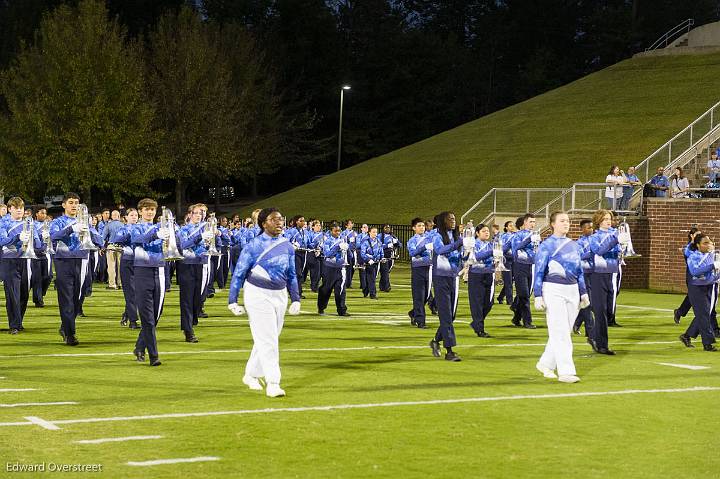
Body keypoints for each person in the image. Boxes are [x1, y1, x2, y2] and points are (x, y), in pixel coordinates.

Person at [227, 207, 301, 398]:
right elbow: (239, 273)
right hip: (257, 293)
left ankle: (250, 374)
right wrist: (232, 300)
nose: (279, 223)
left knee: (267, 337)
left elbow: (292, 275)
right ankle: (273, 382)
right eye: (274, 219)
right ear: (263, 223)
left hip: (280, 294)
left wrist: (296, 298)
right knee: (268, 339)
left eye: (280, 219)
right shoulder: (253, 245)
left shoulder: (287, 245)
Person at [533, 211, 589, 383]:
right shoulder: (546, 245)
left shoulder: (574, 245)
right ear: (553, 224)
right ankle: (566, 371)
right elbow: (539, 270)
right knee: (560, 331)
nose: (566, 223)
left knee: (564, 331)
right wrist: (537, 295)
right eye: (562, 221)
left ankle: (545, 363)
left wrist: (583, 292)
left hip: (572, 289)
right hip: (553, 289)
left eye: (568, 221)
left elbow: (579, 271)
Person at [50, 193, 96, 346]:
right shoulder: (58, 221)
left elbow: (100, 240)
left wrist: (90, 230)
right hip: (64, 261)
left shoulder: (85, 221)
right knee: (67, 298)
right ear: (64, 205)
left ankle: (65, 327)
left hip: (82, 260)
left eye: (76, 202)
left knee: (78, 298)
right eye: (71, 202)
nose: (74, 205)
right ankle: (70, 334)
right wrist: (71, 229)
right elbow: (53, 236)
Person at [131, 198, 171, 366]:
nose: (150, 212)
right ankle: (154, 355)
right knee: (147, 317)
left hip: (160, 271)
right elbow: (137, 240)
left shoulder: (163, 226)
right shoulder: (135, 227)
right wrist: (156, 234)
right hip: (142, 272)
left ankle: (139, 346)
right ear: (140, 211)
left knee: (156, 315)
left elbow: (178, 245)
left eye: (152, 209)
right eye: (146, 209)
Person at [588, 209, 630, 355]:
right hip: (598, 275)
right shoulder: (594, 237)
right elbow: (599, 250)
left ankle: (593, 336)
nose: (608, 221)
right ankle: (602, 345)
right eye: (605, 218)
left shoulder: (614, 233)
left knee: (607, 311)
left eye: (609, 218)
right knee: (600, 311)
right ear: (598, 220)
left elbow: (617, 251)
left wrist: (623, 246)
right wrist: (615, 240)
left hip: (612, 273)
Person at [0, 197, 42, 334]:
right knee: (13, 294)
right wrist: (18, 237)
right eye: (16, 208)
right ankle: (14, 324)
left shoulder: (30, 223)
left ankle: (19, 321)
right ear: (10, 209)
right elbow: (2, 241)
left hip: (26, 259)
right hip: (9, 260)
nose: (19, 210)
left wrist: (38, 240)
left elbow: (38, 244)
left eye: (21, 208)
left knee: (24, 292)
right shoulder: (3, 223)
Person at [428, 211, 466, 362]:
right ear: (443, 221)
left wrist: (468, 252)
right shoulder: (436, 235)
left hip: (453, 277)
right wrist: (458, 244)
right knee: (446, 315)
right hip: (441, 277)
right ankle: (449, 351)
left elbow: (460, 256)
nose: (453, 221)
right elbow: (439, 250)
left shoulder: (456, 236)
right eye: (450, 219)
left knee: (451, 315)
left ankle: (436, 341)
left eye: (454, 219)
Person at [177, 203, 214, 343]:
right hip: (187, 265)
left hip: (201, 263)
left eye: (201, 213)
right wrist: (200, 236)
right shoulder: (183, 229)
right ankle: (188, 330)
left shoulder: (206, 228)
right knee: (186, 298)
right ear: (190, 214)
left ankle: (192, 321)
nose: (199, 215)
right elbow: (184, 244)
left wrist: (218, 235)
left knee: (198, 298)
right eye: (196, 213)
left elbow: (219, 243)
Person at [679, 233, 720, 351]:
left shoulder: (712, 255)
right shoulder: (693, 256)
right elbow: (695, 271)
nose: (708, 245)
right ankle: (707, 343)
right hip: (697, 288)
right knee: (703, 315)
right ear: (698, 245)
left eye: (709, 242)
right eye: (705, 243)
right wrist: (712, 265)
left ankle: (686, 336)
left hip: (709, 286)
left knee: (705, 314)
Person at [510, 214, 541, 329]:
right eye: (530, 222)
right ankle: (527, 321)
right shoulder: (517, 235)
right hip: (520, 266)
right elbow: (516, 248)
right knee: (524, 294)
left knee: (525, 294)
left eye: (534, 222)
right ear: (525, 222)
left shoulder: (536, 236)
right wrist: (529, 239)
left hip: (531, 266)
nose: (533, 224)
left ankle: (516, 317)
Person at [112, 208, 139, 329]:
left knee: (138, 292)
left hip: (140, 262)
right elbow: (117, 240)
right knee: (130, 292)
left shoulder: (141, 227)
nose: (134, 217)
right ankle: (133, 321)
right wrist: (130, 233)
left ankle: (126, 314)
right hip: (127, 262)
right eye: (131, 215)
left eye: (136, 215)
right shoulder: (122, 229)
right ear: (126, 217)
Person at [467, 224, 494, 338]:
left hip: (488, 274)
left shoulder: (490, 244)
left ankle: (476, 323)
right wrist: (492, 252)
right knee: (477, 303)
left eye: (488, 231)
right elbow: (475, 257)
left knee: (488, 303)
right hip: (476, 275)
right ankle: (479, 329)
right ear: (477, 233)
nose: (487, 233)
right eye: (483, 231)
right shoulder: (473, 244)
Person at [317, 222, 349, 316]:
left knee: (340, 289)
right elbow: (327, 254)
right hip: (329, 268)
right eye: (335, 231)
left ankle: (341, 310)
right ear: (331, 231)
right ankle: (321, 307)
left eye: (339, 231)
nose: (338, 232)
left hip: (341, 267)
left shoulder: (343, 240)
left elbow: (348, 254)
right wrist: (337, 247)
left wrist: (348, 249)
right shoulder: (327, 241)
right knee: (326, 289)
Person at [406, 218, 434, 329]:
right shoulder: (412, 240)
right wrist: (424, 247)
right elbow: (413, 253)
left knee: (427, 296)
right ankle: (420, 321)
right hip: (418, 269)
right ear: (414, 228)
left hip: (429, 268)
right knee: (419, 295)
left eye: (423, 225)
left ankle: (414, 313)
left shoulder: (430, 237)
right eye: (419, 225)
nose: (422, 227)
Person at [573, 219, 594, 336]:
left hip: (596, 273)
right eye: (588, 227)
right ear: (582, 229)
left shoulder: (595, 239)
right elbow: (580, 256)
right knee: (587, 302)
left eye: (592, 227)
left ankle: (577, 323)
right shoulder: (579, 243)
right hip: (584, 273)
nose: (591, 230)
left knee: (590, 302)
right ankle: (590, 329)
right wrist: (593, 253)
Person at [31, 207, 53, 307]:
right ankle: (38, 300)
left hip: (46, 252)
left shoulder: (49, 224)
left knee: (48, 276)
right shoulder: (32, 224)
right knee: (37, 277)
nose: (44, 215)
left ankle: (41, 293)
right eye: (42, 213)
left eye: (45, 213)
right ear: (36, 214)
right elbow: (34, 238)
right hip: (35, 252)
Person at [360, 226, 383, 300]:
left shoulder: (379, 241)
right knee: (372, 278)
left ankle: (365, 291)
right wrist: (368, 259)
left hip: (376, 262)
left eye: (376, 232)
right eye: (373, 232)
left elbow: (381, 252)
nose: (375, 233)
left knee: (371, 278)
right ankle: (373, 294)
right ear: (369, 232)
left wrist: (381, 258)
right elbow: (363, 253)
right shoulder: (365, 242)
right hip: (369, 263)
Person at [102, 210, 123, 290]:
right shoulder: (123, 225)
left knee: (111, 266)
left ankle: (112, 284)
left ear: (112, 216)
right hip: (121, 247)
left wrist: (101, 247)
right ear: (118, 216)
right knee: (120, 266)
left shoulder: (108, 225)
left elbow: (103, 238)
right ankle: (120, 283)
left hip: (111, 247)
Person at [496, 220, 516, 305]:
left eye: (513, 225)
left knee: (511, 281)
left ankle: (500, 297)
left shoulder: (516, 235)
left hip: (514, 260)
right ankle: (510, 301)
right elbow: (501, 248)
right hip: (506, 260)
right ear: (506, 227)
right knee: (508, 282)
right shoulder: (503, 236)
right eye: (510, 226)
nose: (512, 227)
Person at [379, 224, 401, 292]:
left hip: (391, 256)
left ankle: (382, 286)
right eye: (386, 228)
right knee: (385, 271)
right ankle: (387, 287)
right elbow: (378, 246)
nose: (388, 229)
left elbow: (400, 245)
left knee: (386, 271)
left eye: (388, 228)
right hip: (383, 255)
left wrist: (396, 242)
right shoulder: (379, 236)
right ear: (383, 228)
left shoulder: (392, 236)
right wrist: (387, 245)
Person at [306, 220, 324, 292]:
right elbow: (308, 243)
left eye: (319, 225)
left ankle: (315, 286)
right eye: (317, 225)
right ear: (313, 227)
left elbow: (326, 243)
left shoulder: (323, 235)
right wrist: (315, 246)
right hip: (312, 253)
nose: (319, 227)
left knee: (321, 272)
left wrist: (321, 248)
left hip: (321, 254)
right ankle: (314, 287)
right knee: (315, 271)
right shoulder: (309, 234)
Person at [340, 219, 357, 289]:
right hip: (346, 252)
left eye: (352, 223)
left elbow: (357, 242)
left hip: (353, 251)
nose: (351, 225)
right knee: (348, 268)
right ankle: (347, 283)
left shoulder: (355, 233)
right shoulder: (343, 233)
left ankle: (348, 281)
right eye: (350, 223)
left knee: (353, 267)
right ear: (346, 225)